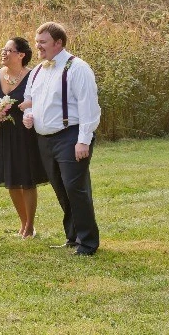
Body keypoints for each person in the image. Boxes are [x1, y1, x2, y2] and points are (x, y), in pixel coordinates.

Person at [22, 22, 101, 256]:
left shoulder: (78, 68)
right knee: (60, 188)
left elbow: (89, 107)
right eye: (37, 42)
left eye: (43, 42)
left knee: (75, 188)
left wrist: (83, 140)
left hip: (70, 137)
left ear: (58, 43)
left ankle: (88, 242)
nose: (38, 47)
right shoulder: (37, 70)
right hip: (45, 140)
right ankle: (73, 237)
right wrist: (29, 116)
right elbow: (30, 100)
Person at [0, 37, 48, 238]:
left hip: (25, 133)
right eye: (3, 49)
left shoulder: (34, 76)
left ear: (21, 55)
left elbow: (41, 103)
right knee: (11, 179)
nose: (3, 53)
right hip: (4, 134)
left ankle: (30, 225)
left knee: (27, 179)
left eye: (8, 50)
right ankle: (22, 223)